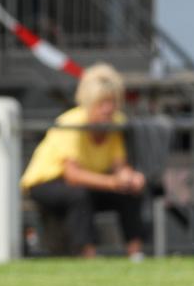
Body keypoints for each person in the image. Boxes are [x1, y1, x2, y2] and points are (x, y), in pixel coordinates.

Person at [21, 63, 146, 258]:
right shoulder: (71, 123)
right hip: (47, 182)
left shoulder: (117, 123)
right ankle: (87, 255)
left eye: (112, 102)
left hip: (88, 182)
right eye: (102, 103)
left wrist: (130, 178)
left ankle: (136, 253)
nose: (108, 109)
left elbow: (119, 165)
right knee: (78, 196)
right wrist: (113, 182)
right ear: (89, 103)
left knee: (129, 193)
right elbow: (73, 175)